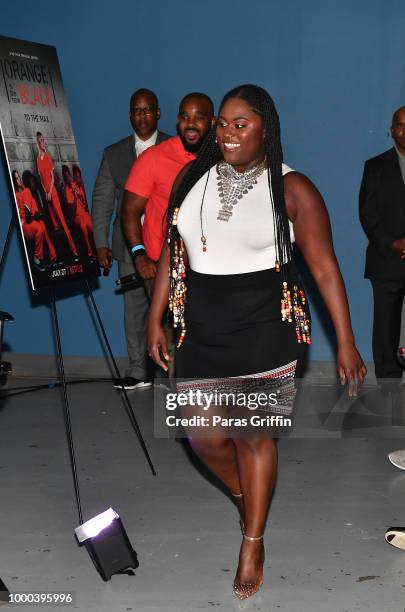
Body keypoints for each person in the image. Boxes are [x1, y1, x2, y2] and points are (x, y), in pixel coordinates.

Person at [147, 84, 366, 600]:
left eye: (240, 124)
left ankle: (252, 539)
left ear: (266, 127)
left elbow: (325, 269)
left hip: (263, 325)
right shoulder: (192, 177)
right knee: (201, 433)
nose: (227, 133)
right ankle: (248, 495)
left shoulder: (292, 189)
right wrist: (155, 319)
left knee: (251, 435)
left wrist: (347, 342)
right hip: (200, 322)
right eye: (223, 123)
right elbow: (170, 256)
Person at [91, 89, 170, 390]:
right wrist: (101, 243)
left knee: (169, 311)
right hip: (129, 247)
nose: (142, 115)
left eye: (148, 109)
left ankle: (168, 372)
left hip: (167, 248)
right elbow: (101, 201)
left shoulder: (174, 148)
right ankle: (138, 370)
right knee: (134, 310)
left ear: (158, 113)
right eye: (136, 110)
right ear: (130, 115)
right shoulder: (114, 154)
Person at [121, 92, 215, 287]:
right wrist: (139, 255)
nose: (191, 124)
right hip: (160, 268)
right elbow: (129, 211)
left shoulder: (221, 160)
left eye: (199, 118)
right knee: (163, 319)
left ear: (213, 122)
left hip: (207, 267)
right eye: (185, 117)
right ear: (177, 120)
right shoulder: (153, 158)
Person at [359, 106, 405, 390]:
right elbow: (367, 213)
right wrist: (392, 243)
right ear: (391, 130)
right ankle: (388, 383)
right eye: (400, 125)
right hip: (386, 260)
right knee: (386, 325)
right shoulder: (374, 166)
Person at [35, 132, 79, 260]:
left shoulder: (48, 157)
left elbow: (52, 178)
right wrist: (45, 192)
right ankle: (61, 254)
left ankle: (74, 249)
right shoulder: (38, 160)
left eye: (44, 140)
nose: (44, 142)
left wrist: (49, 192)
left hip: (52, 193)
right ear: (38, 143)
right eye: (42, 141)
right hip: (47, 195)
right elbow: (42, 180)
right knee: (54, 225)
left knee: (62, 221)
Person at [12, 169, 57, 271]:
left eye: (18, 177)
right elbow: (26, 216)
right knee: (40, 227)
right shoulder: (21, 193)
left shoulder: (26, 191)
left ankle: (53, 257)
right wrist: (36, 216)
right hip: (26, 223)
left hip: (32, 219)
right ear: (14, 182)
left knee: (43, 227)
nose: (18, 180)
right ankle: (39, 259)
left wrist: (38, 215)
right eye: (16, 179)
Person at [62, 165, 96, 259]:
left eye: (69, 176)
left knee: (93, 226)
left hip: (84, 213)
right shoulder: (66, 190)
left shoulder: (75, 184)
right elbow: (72, 208)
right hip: (77, 217)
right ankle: (90, 253)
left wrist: (79, 193)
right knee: (83, 227)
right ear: (65, 179)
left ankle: (98, 249)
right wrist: (74, 194)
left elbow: (84, 201)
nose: (68, 179)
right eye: (66, 177)